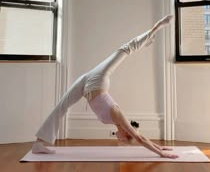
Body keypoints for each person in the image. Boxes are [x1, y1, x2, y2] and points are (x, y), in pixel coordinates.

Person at [32, 15, 178, 159]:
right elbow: (140, 139)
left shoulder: (115, 123)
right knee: (126, 49)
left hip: (86, 86)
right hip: (97, 80)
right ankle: (157, 27)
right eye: (124, 139)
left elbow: (140, 137)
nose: (120, 140)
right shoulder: (120, 117)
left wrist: (159, 146)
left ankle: (39, 144)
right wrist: (161, 153)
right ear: (127, 133)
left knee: (61, 106)